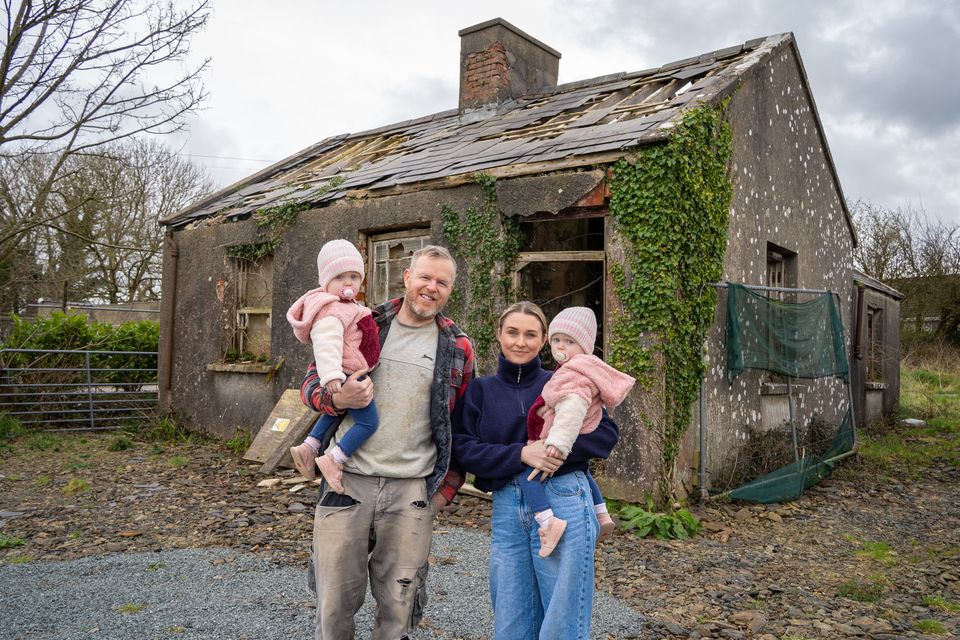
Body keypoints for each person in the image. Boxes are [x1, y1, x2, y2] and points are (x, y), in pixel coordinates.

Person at [299, 244, 474, 640]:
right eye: (425, 277)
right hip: (348, 481)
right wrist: (336, 398)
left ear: (450, 290)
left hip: (411, 489)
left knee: (399, 607)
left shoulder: (458, 346)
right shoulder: (364, 322)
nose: (432, 287)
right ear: (407, 277)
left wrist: (445, 490)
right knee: (333, 603)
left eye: (442, 282)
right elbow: (310, 384)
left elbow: (462, 426)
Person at [452, 301, 619, 640]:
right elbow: (463, 448)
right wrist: (521, 453)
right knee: (511, 621)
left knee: (561, 621)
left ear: (544, 340)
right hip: (507, 509)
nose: (520, 341)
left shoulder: (565, 381)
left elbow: (605, 433)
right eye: (512, 332)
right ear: (499, 335)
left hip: (563, 497)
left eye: (531, 334)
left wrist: (554, 451)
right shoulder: (481, 390)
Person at [521, 306, 635, 556]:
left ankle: (548, 522)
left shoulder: (574, 375)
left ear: (584, 347)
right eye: (557, 340)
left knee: (527, 479)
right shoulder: (583, 370)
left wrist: (557, 446)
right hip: (574, 448)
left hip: (558, 444)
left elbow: (572, 409)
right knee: (584, 471)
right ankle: (602, 514)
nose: (561, 347)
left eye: (569, 341)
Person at [286, 239, 381, 492]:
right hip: (349, 373)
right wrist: (331, 376)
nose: (348, 282)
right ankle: (334, 459)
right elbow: (326, 344)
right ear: (326, 282)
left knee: (336, 412)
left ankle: (310, 446)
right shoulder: (331, 310)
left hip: (350, 370)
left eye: (353, 276)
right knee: (368, 423)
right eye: (340, 277)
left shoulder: (347, 306)